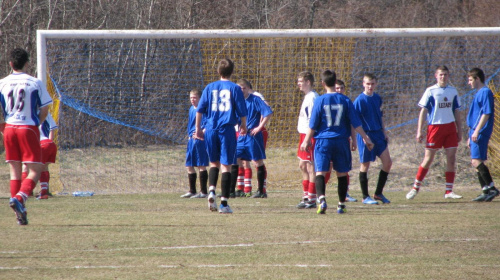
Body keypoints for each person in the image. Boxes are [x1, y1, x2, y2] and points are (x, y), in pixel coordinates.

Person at [300, 70, 373, 214]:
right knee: (341, 173)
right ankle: (340, 204)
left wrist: (306, 140)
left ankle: (322, 200)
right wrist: (365, 138)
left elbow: (313, 124)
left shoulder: (320, 100)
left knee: (320, 171)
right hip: (341, 141)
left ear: (322, 83)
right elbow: (355, 122)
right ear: (335, 83)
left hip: (323, 141)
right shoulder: (345, 100)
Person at [0, 48, 53, 225]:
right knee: (35, 170)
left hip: (9, 128)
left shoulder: (2, 83)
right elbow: (45, 109)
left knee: (15, 170)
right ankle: (21, 198)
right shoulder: (35, 82)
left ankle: (19, 214)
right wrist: (36, 124)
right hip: (27, 127)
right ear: (27, 63)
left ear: (10, 64)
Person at [195, 58, 248, 214]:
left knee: (213, 163)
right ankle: (224, 203)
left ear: (218, 71)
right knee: (226, 165)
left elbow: (200, 110)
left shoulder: (209, 87)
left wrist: (198, 128)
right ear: (232, 72)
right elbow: (242, 111)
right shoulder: (235, 88)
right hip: (226, 130)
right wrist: (243, 125)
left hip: (210, 129)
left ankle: (211, 190)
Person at [406, 66, 463, 200]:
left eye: (445, 75)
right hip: (434, 128)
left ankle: (449, 191)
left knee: (451, 158)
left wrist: (459, 130)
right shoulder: (430, 91)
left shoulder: (453, 91)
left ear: (449, 76)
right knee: (428, 159)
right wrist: (419, 130)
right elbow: (423, 111)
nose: (443, 77)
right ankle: (415, 188)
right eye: (441, 75)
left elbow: (456, 111)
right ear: (436, 76)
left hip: (449, 127)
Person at [353, 74, 392, 204]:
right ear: (363, 84)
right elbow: (355, 121)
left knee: (388, 163)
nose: (370, 86)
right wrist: (364, 136)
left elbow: (380, 116)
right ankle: (365, 196)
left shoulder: (377, 98)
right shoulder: (359, 100)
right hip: (366, 135)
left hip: (378, 135)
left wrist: (384, 131)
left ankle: (378, 193)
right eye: (368, 84)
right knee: (365, 165)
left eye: (372, 84)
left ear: (376, 84)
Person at [232, 79, 271, 198]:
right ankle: (234, 190)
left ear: (248, 88)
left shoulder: (255, 99)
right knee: (236, 160)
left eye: (244, 88)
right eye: (239, 88)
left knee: (257, 161)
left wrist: (259, 127)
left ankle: (261, 191)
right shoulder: (236, 101)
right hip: (241, 136)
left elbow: (268, 112)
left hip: (252, 136)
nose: (242, 90)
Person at [466, 68, 499, 202]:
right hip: (474, 131)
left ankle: (492, 189)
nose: (468, 83)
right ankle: (485, 190)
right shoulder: (478, 93)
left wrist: (477, 131)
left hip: (480, 131)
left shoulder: (485, 92)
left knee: (476, 161)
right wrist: (470, 134)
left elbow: (486, 113)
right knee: (476, 161)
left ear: (477, 79)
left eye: (470, 79)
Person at [332, 79, 358, 202]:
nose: (339, 90)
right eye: (337, 88)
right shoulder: (326, 101)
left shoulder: (347, 102)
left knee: (344, 169)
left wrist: (354, 139)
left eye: (341, 88)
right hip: (328, 140)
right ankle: (318, 194)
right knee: (324, 169)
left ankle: (345, 193)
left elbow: (352, 123)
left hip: (343, 141)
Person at [21, 112, 58, 199]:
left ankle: (26, 191)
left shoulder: (28, 115)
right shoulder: (47, 114)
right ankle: (44, 191)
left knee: (25, 166)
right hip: (50, 144)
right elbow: (52, 128)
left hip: (40, 144)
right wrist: (50, 142)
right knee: (44, 167)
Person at [296, 71, 319, 209]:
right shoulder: (308, 97)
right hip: (303, 135)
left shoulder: (312, 98)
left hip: (308, 136)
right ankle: (306, 196)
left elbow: (313, 121)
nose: (298, 84)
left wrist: (308, 139)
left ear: (308, 82)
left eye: (300, 81)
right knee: (302, 165)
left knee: (310, 167)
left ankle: (311, 198)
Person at [181, 89, 209, 199]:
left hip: (200, 140)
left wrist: (202, 133)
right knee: (189, 165)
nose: (192, 100)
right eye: (191, 98)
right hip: (191, 140)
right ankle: (192, 190)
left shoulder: (204, 109)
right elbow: (190, 124)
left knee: (201, 164)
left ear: (200, 98)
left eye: (195, 98)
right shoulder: (191, 109)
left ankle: (204, 192)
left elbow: (208, 123)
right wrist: (189, 135)